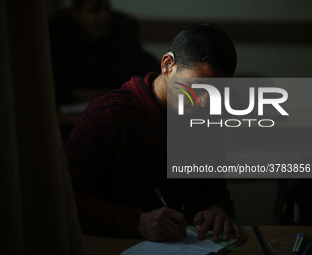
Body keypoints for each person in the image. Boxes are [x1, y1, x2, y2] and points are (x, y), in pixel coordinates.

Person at [65, 23, 240, 242]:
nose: (204, 103)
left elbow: (217, 195)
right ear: (168, 65)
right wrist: (136, 222)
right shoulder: (108, 114)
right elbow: (64, 200)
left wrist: (218, 211)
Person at [49, 0, 159, 104]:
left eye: (107, 9)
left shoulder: (122, 36)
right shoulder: (57, 40)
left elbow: (147, 75)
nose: (104, 15)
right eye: (95, 10)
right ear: (76, 14)